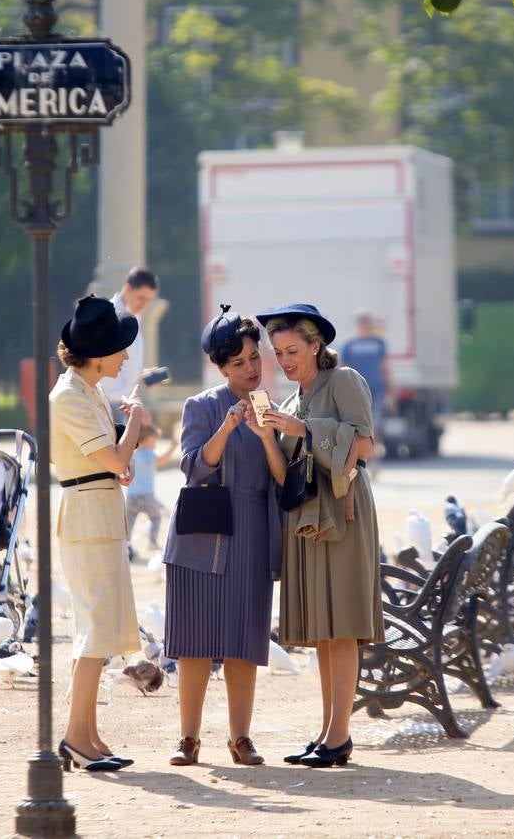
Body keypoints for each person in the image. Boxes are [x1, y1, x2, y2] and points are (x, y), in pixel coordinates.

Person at [254, 303, 385, 768]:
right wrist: (268, 434)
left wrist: (305, 428)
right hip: (308, 518)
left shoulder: (344, 380)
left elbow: (366, 443)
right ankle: (330, 734)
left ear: (316, 345)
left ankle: (338, 736)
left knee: (343, 627)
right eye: (278, 352)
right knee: (325, 631)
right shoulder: (291, 399)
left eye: (293, 350)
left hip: (343, 513)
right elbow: (284, 474)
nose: (285, 360)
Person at [162, 306, 284, 767]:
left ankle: (241, 739)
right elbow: (194, 466)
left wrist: (267, 435)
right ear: (220, 367)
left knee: (243, 640)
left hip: (252, 526)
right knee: (193, 641)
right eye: (239, 363)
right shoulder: (201, 406)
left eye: (255, 358)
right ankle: (188, 739)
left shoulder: (271, 407)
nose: (251, 369)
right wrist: (228, 425)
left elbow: (282, 477)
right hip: (201, 531)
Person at [50, 294, 144, 773]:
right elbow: (115, 458)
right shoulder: (69, 395)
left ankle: (85, 733)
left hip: (97, 510)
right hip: (87, 516)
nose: (126, 356)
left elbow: (107, 464)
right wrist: (137, 427)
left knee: (98, 630)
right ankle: (74, 737)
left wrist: (119, 455)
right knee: (94, 630)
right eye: (120, 348)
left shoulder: (86, 391)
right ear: (100, 353)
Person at [98, 266, 159, 421]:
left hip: (123, 401)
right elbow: (104, 368)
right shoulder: (111, 316)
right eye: (141, 298)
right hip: (111, 403)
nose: (144, 304)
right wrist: (132, 404)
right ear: (127, 288)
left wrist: (141, 375)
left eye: (149, 300)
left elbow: (126, 359)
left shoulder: (134, 314)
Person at [339, 309, 393, 444]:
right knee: (357, 424)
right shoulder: (349, 345)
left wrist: (391, 391)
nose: (365, 325)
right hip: (356, 391)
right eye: (362, 322)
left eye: (367, 322)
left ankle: (374, 457)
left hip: (376, 390)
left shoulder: (379, 343)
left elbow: (385, 367)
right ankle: (361, 456)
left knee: (375, 423)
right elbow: (342, 370)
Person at [125, 423, 177, 556]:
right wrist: (172, 448)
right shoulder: (148, 453)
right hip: (146, 496)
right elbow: (161, 461)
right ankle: (152, 542)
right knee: (156, 517)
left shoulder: (133, 453)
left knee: (129, 522)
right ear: (148, 439)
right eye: (155, 440)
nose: (156, 443)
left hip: (131, 497)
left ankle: (126, 543)